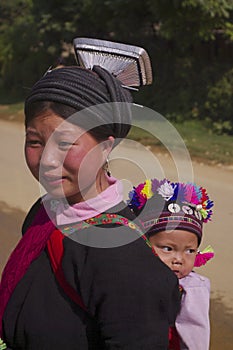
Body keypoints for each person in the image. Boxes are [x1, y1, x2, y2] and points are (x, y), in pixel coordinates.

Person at [0, 39, 181, 349]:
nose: (48, 160)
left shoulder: (122, 258)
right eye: (34, 142)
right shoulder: (44, 212)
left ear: (105, 146)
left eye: (67, 143)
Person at [128, 178, 214, 350]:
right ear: (143, 243)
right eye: (168, 248)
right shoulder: (129, 276)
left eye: (190, 251)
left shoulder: (192, 290)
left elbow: (196, 339)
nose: (179, 259)